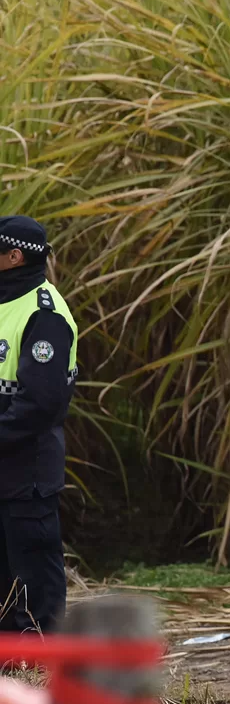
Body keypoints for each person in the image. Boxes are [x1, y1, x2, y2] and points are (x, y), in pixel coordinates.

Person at [0, 217, 78, 634]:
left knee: (34, 583)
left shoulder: (44, 315)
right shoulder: (4, 302)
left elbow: (40, 405)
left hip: (27, 475)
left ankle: (41, 669)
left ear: (14, 257)